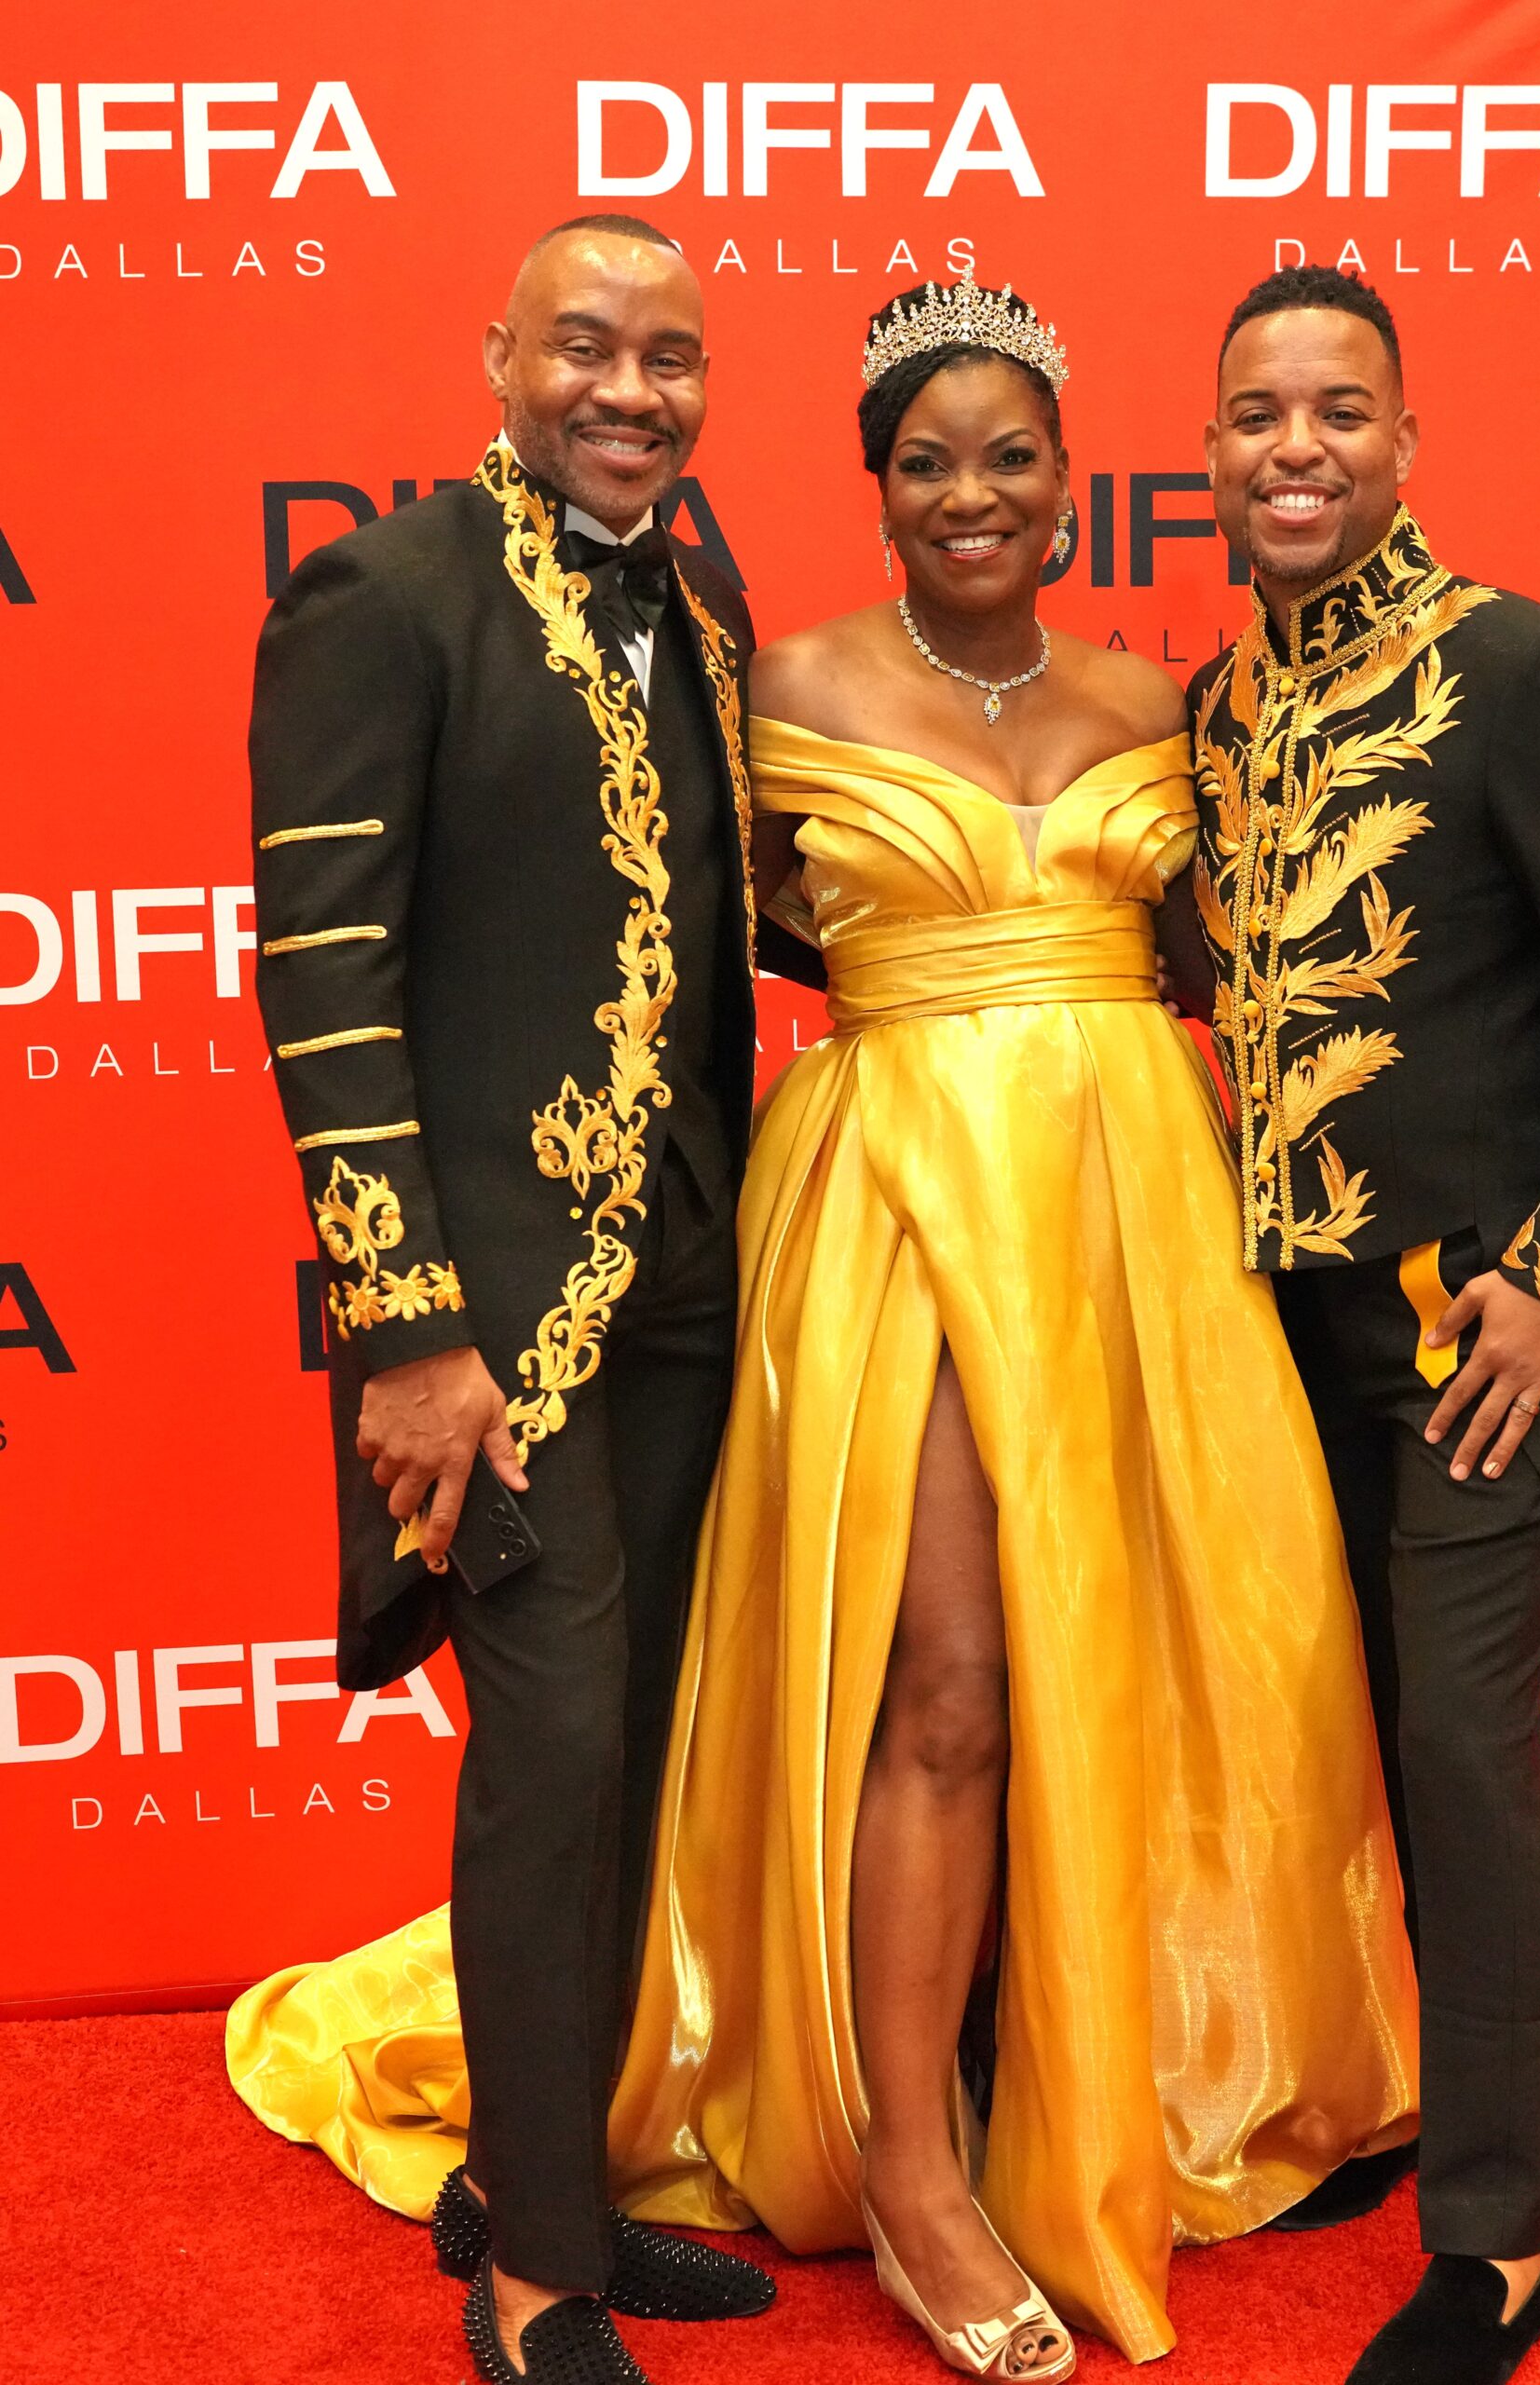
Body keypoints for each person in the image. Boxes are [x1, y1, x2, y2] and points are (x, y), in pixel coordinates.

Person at [602, 269, 1419, 2372]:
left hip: (1135, 1212)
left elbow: (1237, 957)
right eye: (925, 463)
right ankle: (912, 2171)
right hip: (901, 1202)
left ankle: (1094, 2071)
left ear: (1071, 481)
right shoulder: (779, 679)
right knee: (950, 1683)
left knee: (1145, 1656)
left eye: (1009, 458)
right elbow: (689, 928)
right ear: (877, 488)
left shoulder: (1157, 703)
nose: (969, 495)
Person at [232, 214, 776, 2385]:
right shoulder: (383, 594)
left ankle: (539, 2168)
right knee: (548, 1748)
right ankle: (540, 2275)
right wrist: (408, 1328)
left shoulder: (706, 610)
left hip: (686, 1281)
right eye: (586, 346)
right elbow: (323, 978)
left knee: (630, 1746)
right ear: (498, 356)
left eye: (669, 356)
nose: (629, 390)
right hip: (497, 1324)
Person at [1187, 265, 1540, 2385]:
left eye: (1337, 409)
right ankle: (1388, 2104)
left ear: (1406, 441)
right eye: (1256, 415)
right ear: (1208, 455)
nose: (1294, 448)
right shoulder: (1217, 713)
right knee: (1342, 1737)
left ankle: (1498, 2234)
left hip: (1474, 1334)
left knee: (1463, 1757)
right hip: (1274, 1334)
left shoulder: (1521, 666)